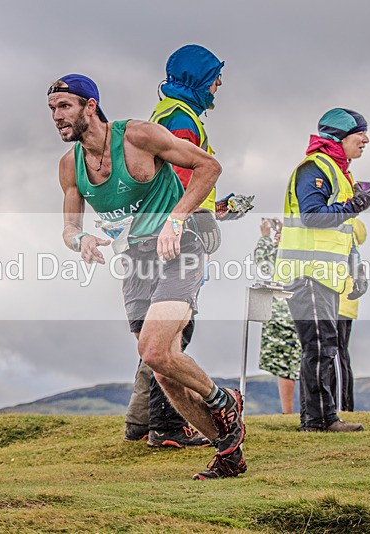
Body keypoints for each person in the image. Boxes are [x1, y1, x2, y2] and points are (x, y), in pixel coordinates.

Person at [48, 73, 246, 479]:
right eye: (52, 109)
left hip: (179, 248)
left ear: (90, 105)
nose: (56, 116)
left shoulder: (137, 136)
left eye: (64, 106)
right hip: (136, 263)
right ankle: (230, 452)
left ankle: (222, 400)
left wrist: (177, 219)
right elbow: (69, 227)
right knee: (164, 371)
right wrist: (80, 239)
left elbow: (208, 166)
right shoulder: (70, 166)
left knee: (154, 351)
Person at [124, 44, 230, 449]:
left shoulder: (170, 113)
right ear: (199, 78)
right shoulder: (180, 119)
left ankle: (141, 422)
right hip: (171, 238)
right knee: (173, 333)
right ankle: (167, 427)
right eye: (215, 77)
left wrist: (212, 207)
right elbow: (181, 181)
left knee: (159, 332)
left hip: (159, 231)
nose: (219, 85)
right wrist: (190, 221)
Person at [274, 108, 370, 432]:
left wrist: (355, 269)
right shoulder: (315, 168)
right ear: (339, 137)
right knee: (320, 345)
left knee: (324, 345)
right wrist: (353, 206)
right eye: (359, 133)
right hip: (307, 274)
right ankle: (319, 421)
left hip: (325, 275)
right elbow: (313, 215)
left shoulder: (336, 171)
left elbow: (341, 232)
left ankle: (319, 417)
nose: (366, 139)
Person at [254, 217, 301, 414]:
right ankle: (306, 409)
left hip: (283, 311)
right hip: (300, 308)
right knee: (299, 363)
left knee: (286, 366)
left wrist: (265, 238)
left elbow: (263, 265)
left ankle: (288, 412)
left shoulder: (286, 252)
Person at [335, 217, 367, 412]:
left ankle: (339, 406)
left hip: (337, 298)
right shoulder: (353, 231)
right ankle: (346, 405)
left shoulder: (340, 226)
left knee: (333, 354)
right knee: (341, 353)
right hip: (349, 302)